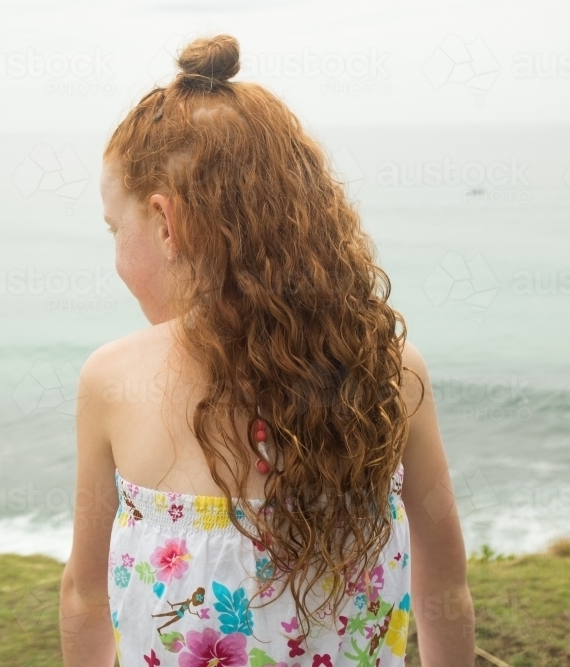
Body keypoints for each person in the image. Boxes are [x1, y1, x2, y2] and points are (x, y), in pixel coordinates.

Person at [59, 33, 475, 667]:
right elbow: (444, 589)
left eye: (117, 230)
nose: (116, 255)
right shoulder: (390, 372)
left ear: (166, 223)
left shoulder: (113, 382)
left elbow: (85, 598)